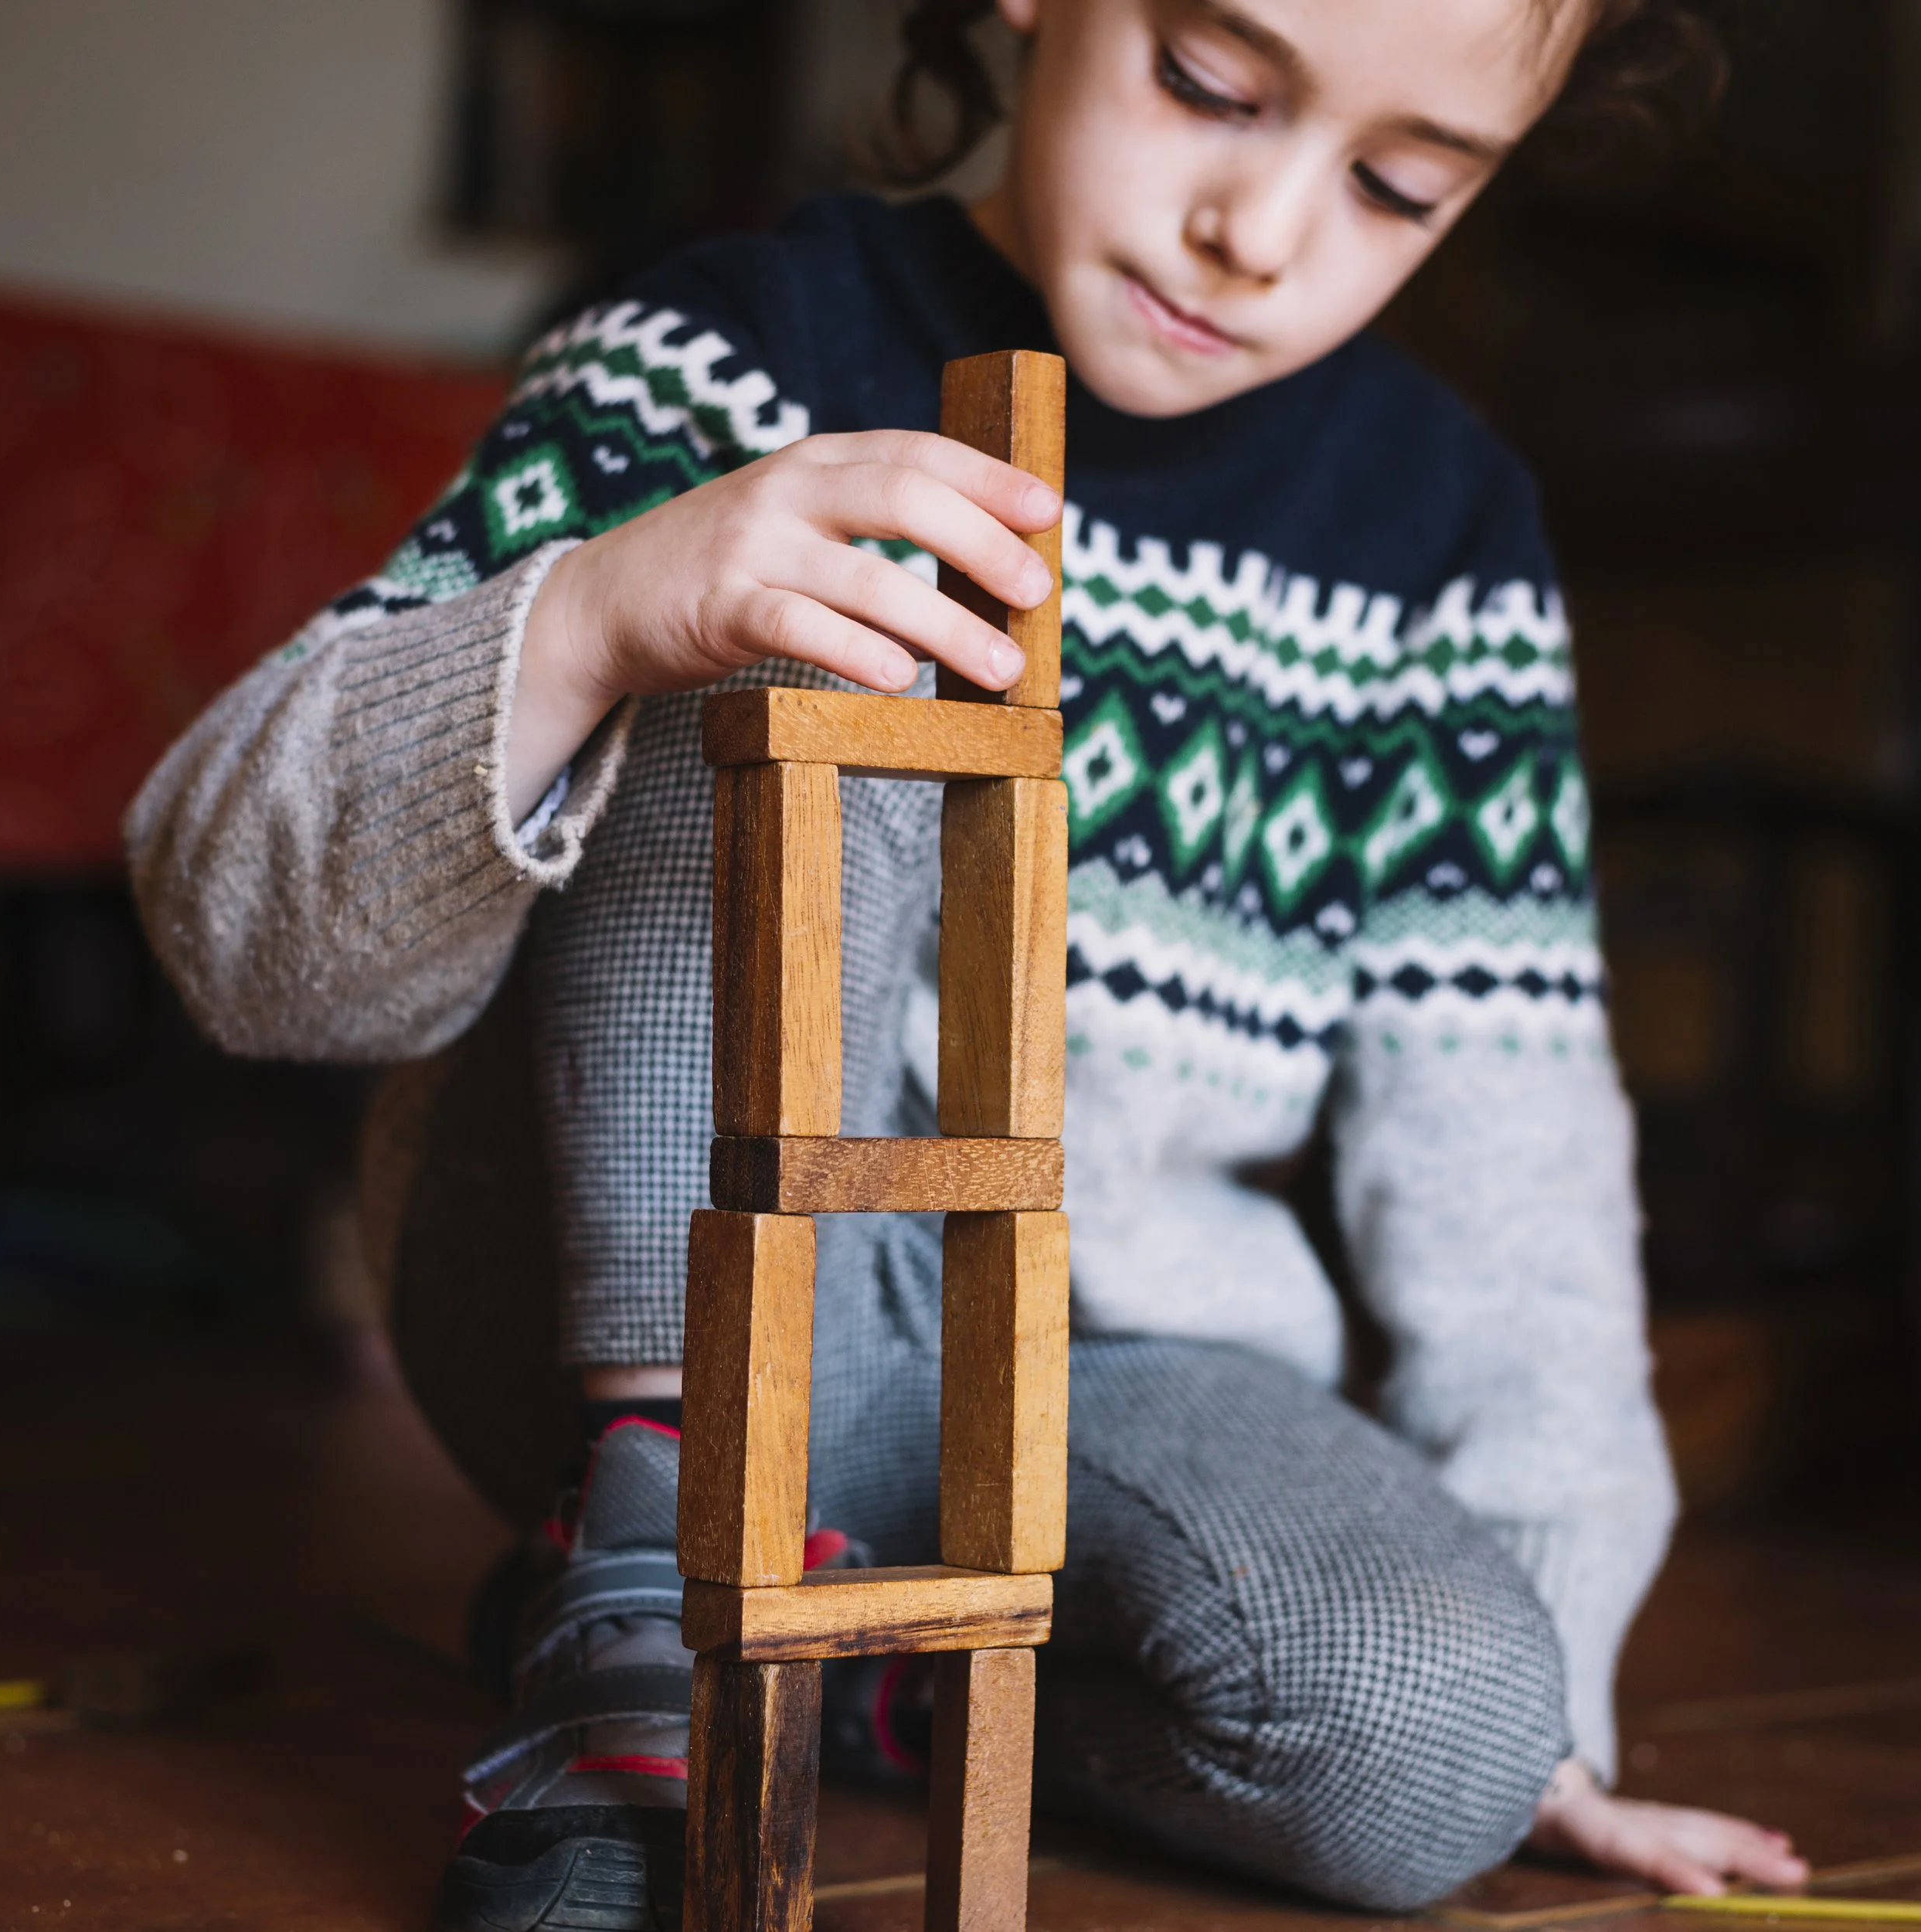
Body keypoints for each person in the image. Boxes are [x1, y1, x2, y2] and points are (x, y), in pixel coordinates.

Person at [126, 0, 1811, 1923]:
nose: (1258, 233)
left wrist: (1554, 1672)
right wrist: (598, 610)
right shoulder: (726, 354)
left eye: (1396, 185)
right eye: (1208, 85)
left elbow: (1506, 1155)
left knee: (1438, 1737)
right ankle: (650, 1559)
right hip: (656, 1283)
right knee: (794, 582)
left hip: (1109, 1384)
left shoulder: (1440, 538)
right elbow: (242, 946)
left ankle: (874, 1691)